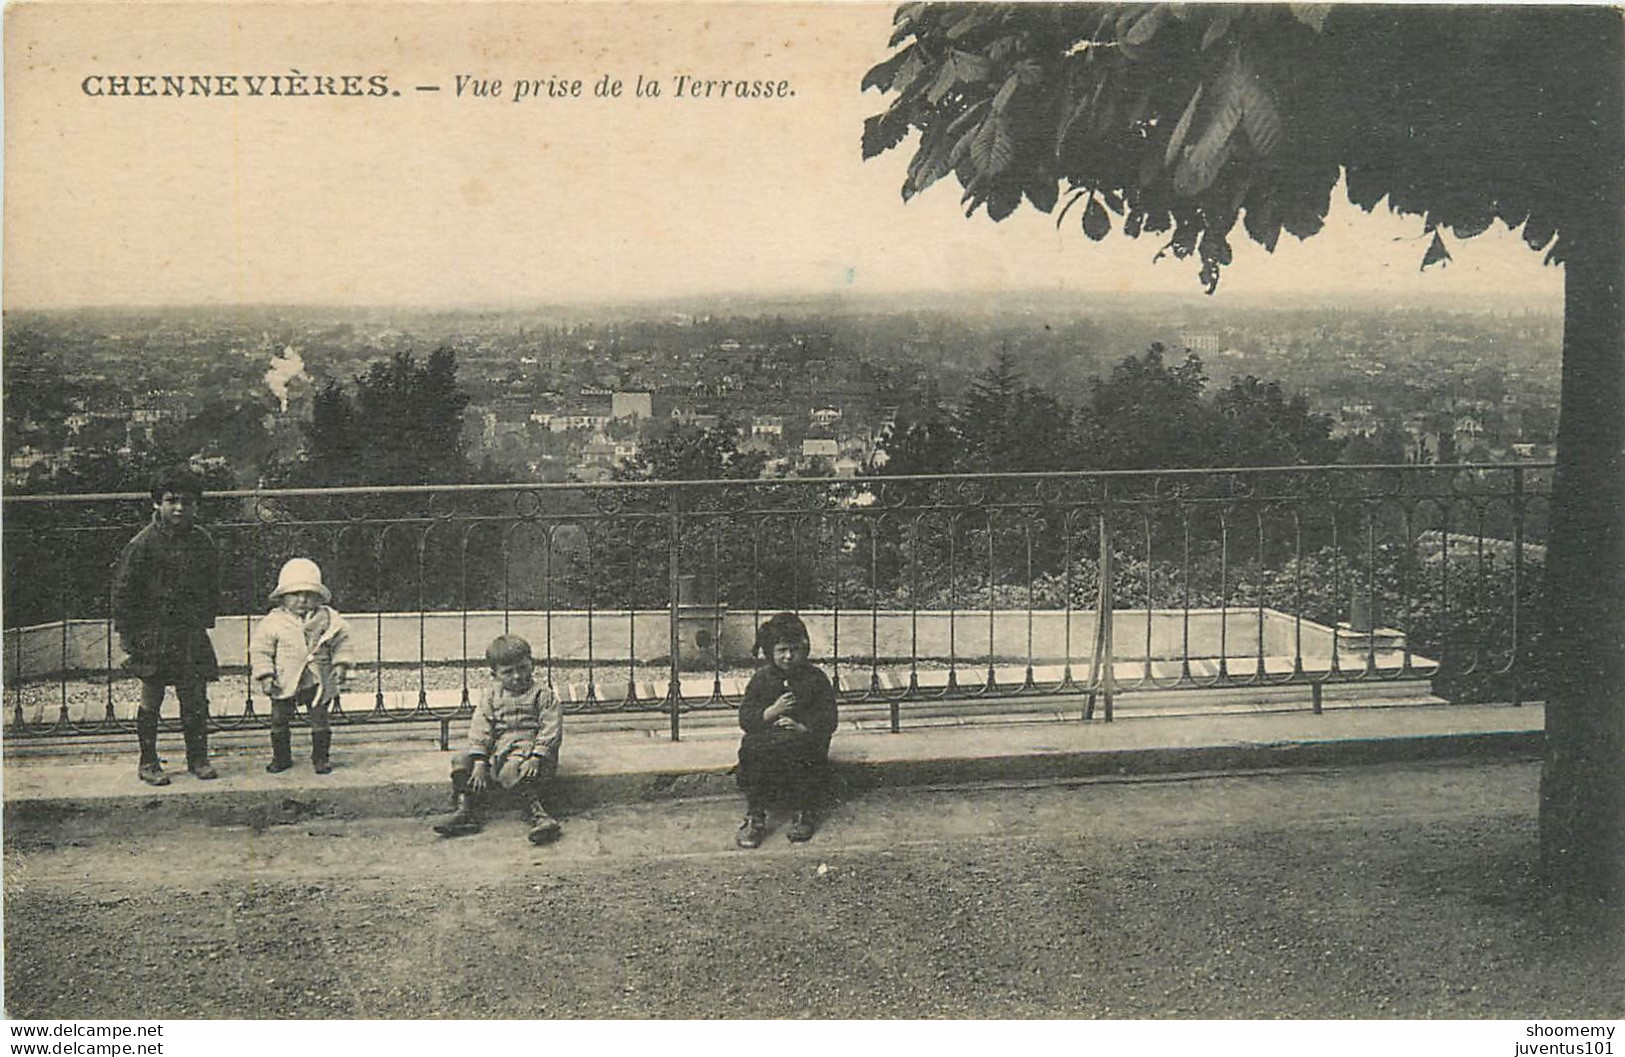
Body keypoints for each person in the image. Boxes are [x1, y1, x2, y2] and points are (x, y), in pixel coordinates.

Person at [111, 465, 221, 786]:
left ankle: (197, 758)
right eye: (171, 500)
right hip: (152, 633)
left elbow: (211, 584)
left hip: (188, 632)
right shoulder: (142, 545)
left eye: (187, 501)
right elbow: (123, 593)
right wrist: (129, 638)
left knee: (194, 696)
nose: (180, 507)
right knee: (152, 695)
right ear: (157, 503)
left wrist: (205, 619)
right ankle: (148, 761)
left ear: (197, 505)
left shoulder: (202, 541)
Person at [433, 634, 563, 844]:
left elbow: (551, 728)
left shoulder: (542, 695)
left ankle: (540, 816)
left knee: (514, 769)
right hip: (498, 749)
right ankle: (466, 811)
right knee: (460, 760)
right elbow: (481, 726)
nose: (517, 676)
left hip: (530, 752)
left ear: (532, 665)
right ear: (494, 674)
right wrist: (479, 761)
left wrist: (537, 756)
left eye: (522, 668)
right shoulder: (492, 696)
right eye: (508, 672)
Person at [735, 612, 838, 847]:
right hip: (770, 741)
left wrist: (803, 727)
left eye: (794, 649)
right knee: (751, 747)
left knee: (802, 751)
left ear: (804, 649)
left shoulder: (815, 678)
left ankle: (803, 812)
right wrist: (771, 711)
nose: (788, 656)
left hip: (804, 739)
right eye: (781, 650)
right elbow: (745, 717)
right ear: (771, 651)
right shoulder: (762, 678)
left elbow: (829, 717)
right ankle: (755, 815)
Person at [249, 558, 353, 775]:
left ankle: (320, 758)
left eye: (309, 595)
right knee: (279, 719)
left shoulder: (328, 619)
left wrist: (341, 664)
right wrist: (266, 675)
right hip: (285, 679)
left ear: (319, 597)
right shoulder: (274, 621)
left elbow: (342, 640)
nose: (302, 600)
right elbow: (261, 650)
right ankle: (281, 757)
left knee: (319, 719)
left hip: (317, 679)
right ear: (282, 597)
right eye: (295, 594)